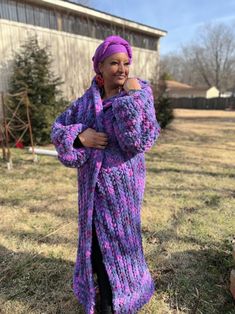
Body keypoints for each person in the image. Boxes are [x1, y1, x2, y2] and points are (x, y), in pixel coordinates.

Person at [50, 35, 161, 314]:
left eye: (126, 63)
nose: (122, 69)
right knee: (95, 243)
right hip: (90, 189)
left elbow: (138, 140)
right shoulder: (85, 103)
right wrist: (79, 136)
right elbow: (58, 129)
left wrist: (132, 99)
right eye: (114, 63)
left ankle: (121, 296)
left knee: (122, 242)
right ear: (99, 66)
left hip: (122, 190)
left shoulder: (138, 94)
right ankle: (100, 290)